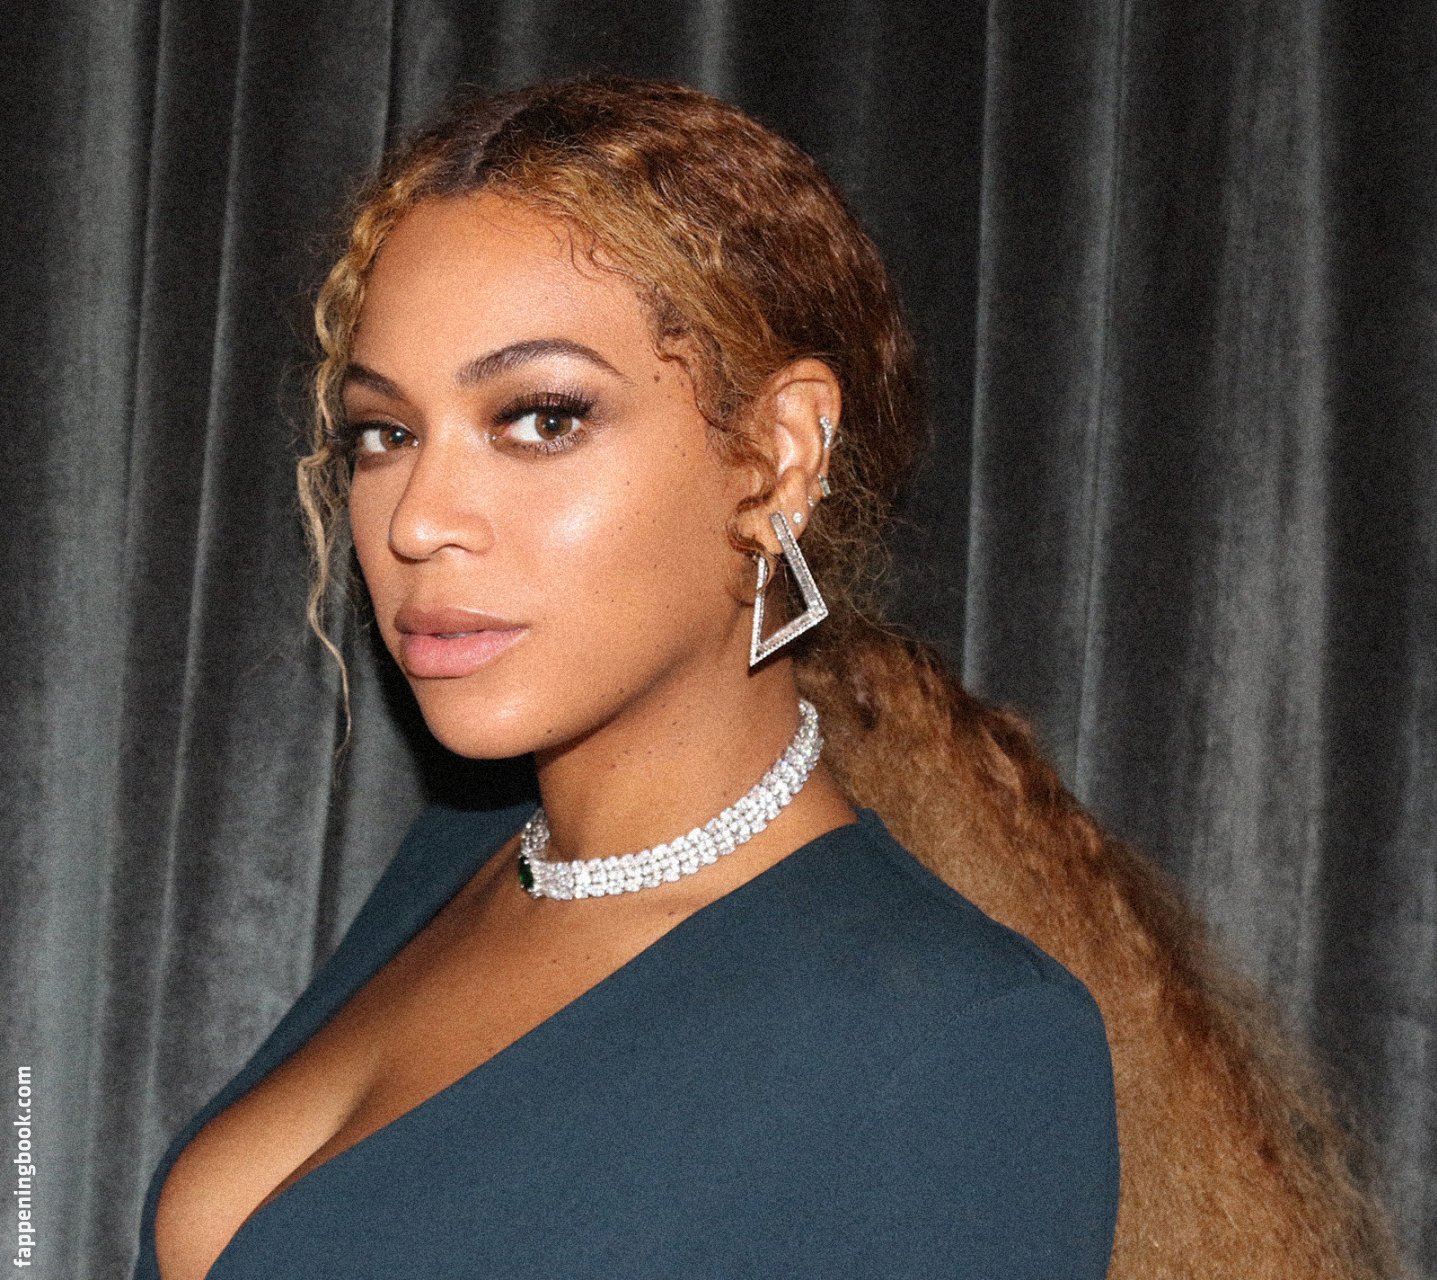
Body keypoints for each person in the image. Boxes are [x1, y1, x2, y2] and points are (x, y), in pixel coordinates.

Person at [132, 77, 1400, 1279]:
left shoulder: (956, 1039)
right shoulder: (460, 855)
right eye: (385, 431)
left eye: (542, 417)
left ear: (781, 456)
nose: (417, 519)